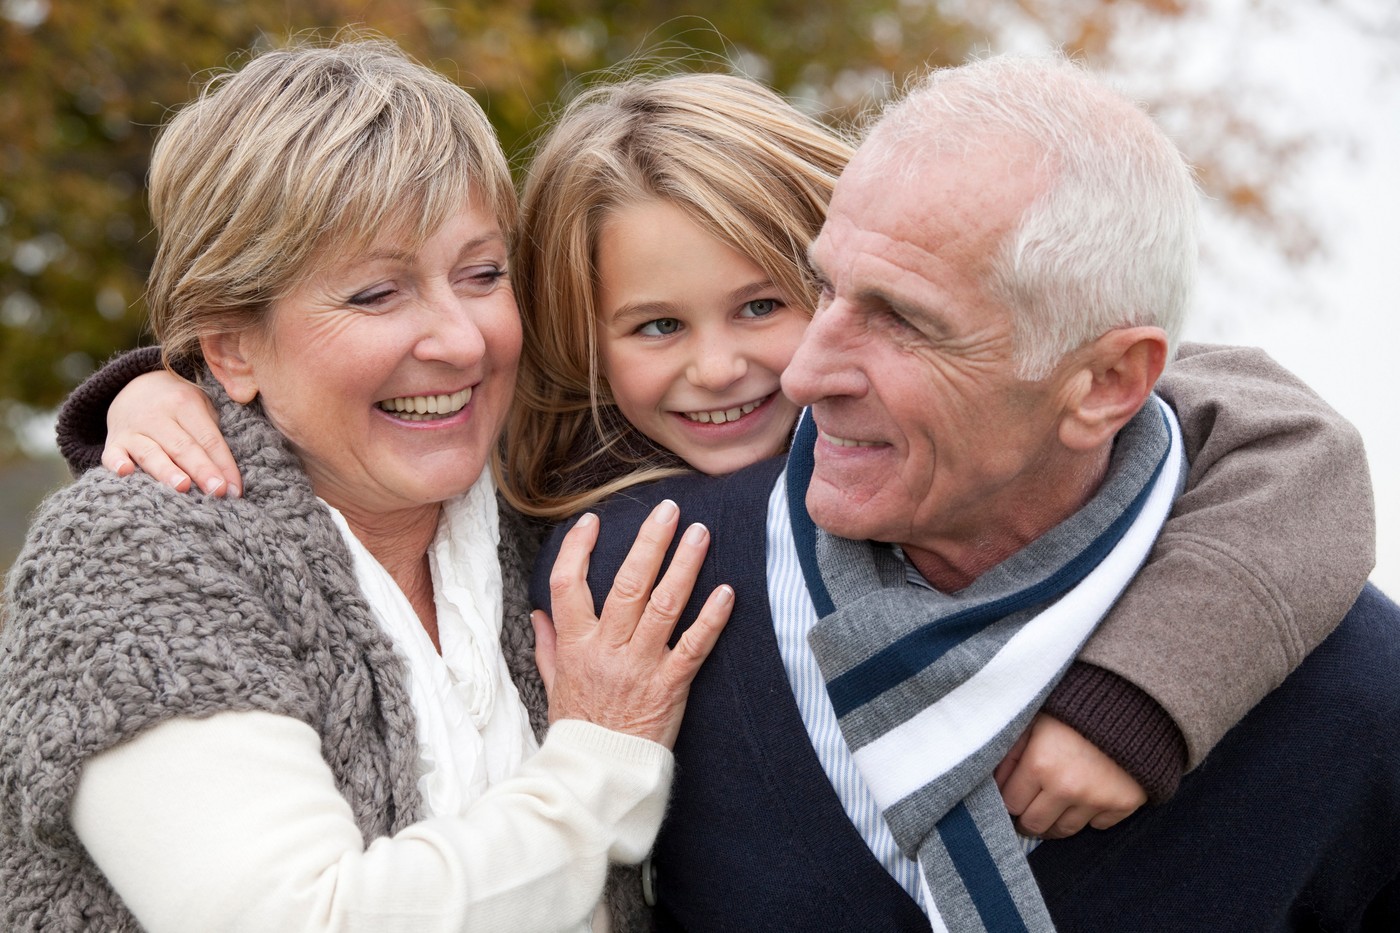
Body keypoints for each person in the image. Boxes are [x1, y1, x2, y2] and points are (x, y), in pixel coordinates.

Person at [54, 66, 1380, 927]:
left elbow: (1262, 431)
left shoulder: (518, 495)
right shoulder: (575, 523)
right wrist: (160, 394)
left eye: (771, 301)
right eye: (653, 328)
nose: (743, 366)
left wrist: (1145, 692)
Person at [530, 54, 1397, 930]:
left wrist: (1143, 694)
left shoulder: (1347, 685)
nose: (800, 371)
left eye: (903, 318)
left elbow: (1272, 430)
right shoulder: (617, 598)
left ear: (1102, 384)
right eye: (827, 286)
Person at [0, 38, 737, 933]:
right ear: (232, 345)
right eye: (376, 294)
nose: (462, 341)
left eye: (482, 275)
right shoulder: (133, 558)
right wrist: (602, 761)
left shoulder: (535, 498)